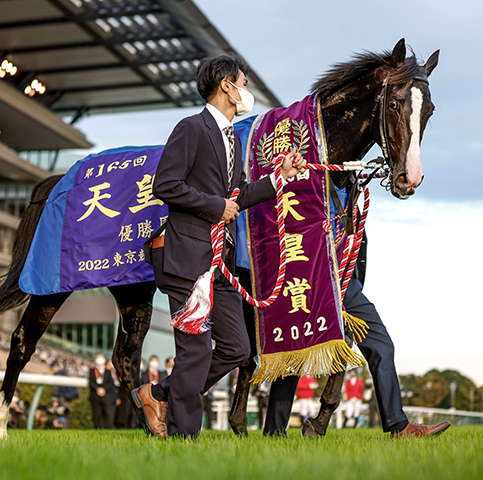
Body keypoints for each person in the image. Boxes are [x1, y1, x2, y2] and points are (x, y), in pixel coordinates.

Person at [133, 52, 307, 439]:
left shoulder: (230, 137)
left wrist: (280, 177)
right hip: (185, 257)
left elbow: (238, 195)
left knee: (236, 348)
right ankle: (181, 438)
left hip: (217, 261)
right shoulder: (191, 128)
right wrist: (216, 206)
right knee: (195, 350)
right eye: (243, 83)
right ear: (226, 85)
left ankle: (159, 394)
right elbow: (166, 185)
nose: (247, 91)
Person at [263, 229, 450, 438]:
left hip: (348, 287)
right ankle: (274, 432)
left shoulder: (353, 203)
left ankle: (399, 426)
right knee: (295, 352)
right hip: (311, 283)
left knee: (381, 345)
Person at [89, 353, 119, 429]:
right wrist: (97, 389)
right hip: (95, 396)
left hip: (106, 396)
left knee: (107, 413)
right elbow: (91, 382)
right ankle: (98, 427)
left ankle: (108, 427)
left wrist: (104, 389)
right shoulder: (92, 371)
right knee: (97, 413)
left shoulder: (108, 371)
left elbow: (110, 383)